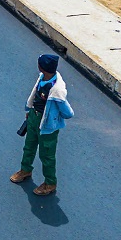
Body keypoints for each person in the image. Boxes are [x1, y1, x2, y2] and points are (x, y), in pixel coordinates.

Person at [10, 54, 74, 196]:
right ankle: (25, 170)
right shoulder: (42, 78)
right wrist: (30, 109)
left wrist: (55, 118)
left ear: (42, 67)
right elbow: (35, 95)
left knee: (47, 155)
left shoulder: (57, 90)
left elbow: (68, 112)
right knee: (29, 146)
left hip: (47, 126)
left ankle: (50, 183)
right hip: (34, 117)